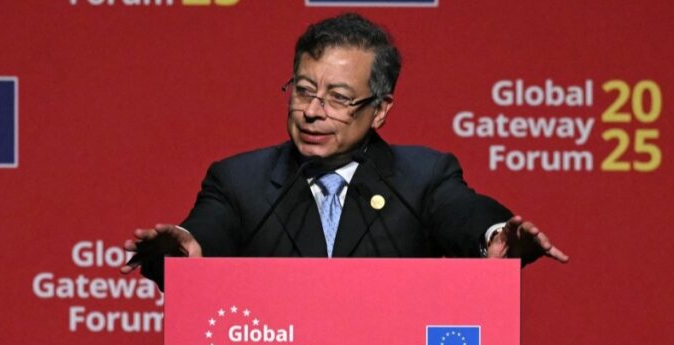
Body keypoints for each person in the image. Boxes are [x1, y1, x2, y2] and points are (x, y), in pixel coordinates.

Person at [122, 13, 567, 288]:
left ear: (379, 110)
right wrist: (180, 255)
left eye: (337, 98)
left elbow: (463, 213)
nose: (312, 112)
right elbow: (201, 238)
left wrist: (494, 235)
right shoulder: (240, 182)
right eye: (302, 91)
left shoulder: (422, 178)